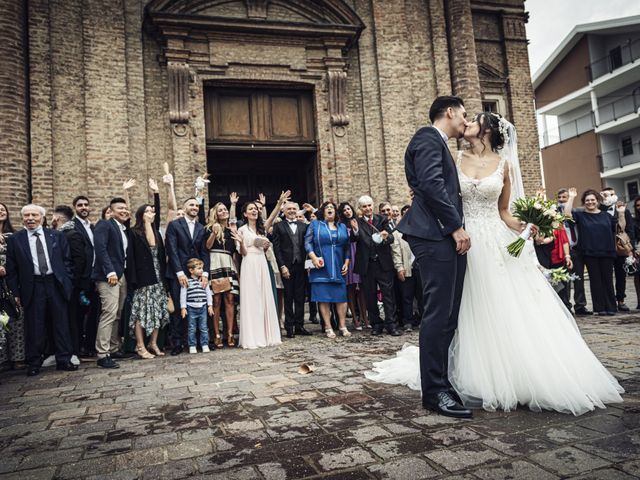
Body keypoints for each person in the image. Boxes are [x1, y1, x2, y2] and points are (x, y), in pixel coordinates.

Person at [367, 110, 624, 417]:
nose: (467, 122)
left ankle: (507, 371)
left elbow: (503, 211)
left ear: (488, 130)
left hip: (492, 240)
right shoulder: (455, 158)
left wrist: (529, 226)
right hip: (459, 238)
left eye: (474, 119)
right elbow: (437, 190)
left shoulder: (505, 165)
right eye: (466, 116)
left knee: (501, 305)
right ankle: (457, 371)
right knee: (458, 309)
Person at [5, 204, 77, 376]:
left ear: (42, 218)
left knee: (61, 323)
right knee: (35, 325)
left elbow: (67, 260)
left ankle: (64, 359)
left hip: (55, 283)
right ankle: (34, 362)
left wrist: (67, 280)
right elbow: (12, 269)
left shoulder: (56, 236)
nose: (30, 218)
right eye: (27, 215)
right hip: (33, 285)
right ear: (22, 218)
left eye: (34, 215)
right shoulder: (16, 239)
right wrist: (15, 293)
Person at [565, 189, 624, 316]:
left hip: (607, 252)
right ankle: (600, 308)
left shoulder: (606, 215)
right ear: (584, 202)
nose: (590, 202)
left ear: (597, 201)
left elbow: (621, 227)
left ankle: (611, 307)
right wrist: (571, 197)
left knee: (608, 280)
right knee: (595, 281)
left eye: (592, 200)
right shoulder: (580, 215)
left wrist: (621, 213)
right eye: (587, 200)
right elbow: (567, 214)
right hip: (589, 252)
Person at [165, 197, 210, 356]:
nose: (195, 208)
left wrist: (204, 273)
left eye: (197, 206)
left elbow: (204, 252)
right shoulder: (174, 225)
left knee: (198, 305)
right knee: (179, 307)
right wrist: (179, 273)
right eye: (191, 205)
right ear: (184, 208)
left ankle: (199, 341)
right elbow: (172, 249)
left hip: (197, 274)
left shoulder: (201, 228)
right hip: (178, 273)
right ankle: (177, 342)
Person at [350, 195, 400, 337]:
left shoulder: (382, 219)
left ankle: (391, 324)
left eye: (369, 205)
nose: (367, 208)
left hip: (383, 263)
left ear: (373, 205)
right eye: (364, 206)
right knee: (370, 295)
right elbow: (353, 239)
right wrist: (355, 230)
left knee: (388, 295)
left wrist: (385, 237)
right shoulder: (357, 222)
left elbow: (391, 238)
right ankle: (376, 324)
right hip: (367, 265)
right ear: (360, 208)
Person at [234, 201, 282, 349]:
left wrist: (279, 203)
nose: (254, 211)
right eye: (251, 209)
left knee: (264, 297)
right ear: (245, 213)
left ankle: (268, 335)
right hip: (249, 262)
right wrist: (242, 243)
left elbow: (272, 218)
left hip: (261, 262)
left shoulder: (262, 229)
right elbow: (243, 253)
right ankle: (253, 337)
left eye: (255, 209)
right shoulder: (241, 229)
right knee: (252, 298)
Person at [92, 197, 133, 369]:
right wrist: (110, 272)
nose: (124, 211)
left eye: (126, 208)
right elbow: (100, 249)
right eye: (120, 208)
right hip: (108, 276)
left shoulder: (122, 229)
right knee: (109, 312)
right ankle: (102, 354)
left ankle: (114, 347)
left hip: (120, 275)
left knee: (117, 313)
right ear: (111, 211)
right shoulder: (104, 224)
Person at [128, 202, 169, 359]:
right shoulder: (134, 232)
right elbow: (142, 250)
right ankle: (140, 345)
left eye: (153, 211)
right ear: (141, 215)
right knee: (142, 313)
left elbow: (155, 247)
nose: (152, 213)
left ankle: (153, 343)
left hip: (158, 277)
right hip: (143, 278)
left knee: (157, 311)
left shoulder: (156, 232)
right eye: (148, 211)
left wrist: (157, 193)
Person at [305, 201, 351, 338]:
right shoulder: (315, 225)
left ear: (336, 212)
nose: (330, 209)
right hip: (321, 264)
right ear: (323, 211)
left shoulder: (342, 226)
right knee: (323, 297)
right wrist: (313, 257)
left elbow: (347, 246)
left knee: (341, 297)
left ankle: (342, 326)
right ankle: (328, 327)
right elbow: (307, 242)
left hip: (338, 264)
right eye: (327, 208)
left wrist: (347, 263)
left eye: (332, 208)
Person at [272, 201, 311, 338]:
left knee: (300, 297)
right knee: (288, 296)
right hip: (287, 266)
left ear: (298, 210)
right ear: (284, 211)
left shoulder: (303, 226)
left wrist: (309, 265)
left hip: (301, 265)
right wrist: (282, 266)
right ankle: (289, 327)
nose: (292, 211)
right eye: (289, 209)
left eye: (294, 208)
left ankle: (299, 325)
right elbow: (276, 249)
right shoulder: (278, 226)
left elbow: (308, 246)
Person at [205, 200, 239, 348]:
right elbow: (207, 246)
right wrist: (214, 232)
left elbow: (236, 251)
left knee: (230, 299)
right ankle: (216, 334)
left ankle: (230, 333)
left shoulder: (232, 230)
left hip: (228, 263)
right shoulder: (209, 228)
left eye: (225, 209)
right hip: (215, 262)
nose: (223, 212)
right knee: (216, 300)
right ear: (215, 214)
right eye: (220, 210)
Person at [600, 187, 635, 312]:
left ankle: (621, 300)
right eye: (607, 195)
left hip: (620, 248)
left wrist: (630, 247)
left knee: (621, 275)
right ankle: (609, 301)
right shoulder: (600, 209)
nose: (610, 197)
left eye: (612, 194)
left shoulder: (623, 210)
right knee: (606, 276)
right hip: (605, 248)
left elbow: (630, 230)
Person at [556, 188, 591, 315]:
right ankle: (566, 306)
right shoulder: (553, 214)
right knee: (564, 279)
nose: (561, 200)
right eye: (559, 198)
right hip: (562, 251)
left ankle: (580, 305)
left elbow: (568, 214)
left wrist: (571, 198)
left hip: (576, 250)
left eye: (564, 198)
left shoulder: (576, 213)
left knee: (579, 278)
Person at [71, 196, 98, 356]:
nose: (83, 207)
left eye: (86, 205)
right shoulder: (72, 226)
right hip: (81, 278)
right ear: (75, 208)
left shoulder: (93, 227)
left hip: (94, 276)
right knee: (79, 315)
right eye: (80, 205)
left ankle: (89, 347)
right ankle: (79, 347)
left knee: (93, 313)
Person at [0, 202, 25, 369]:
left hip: (11, 281)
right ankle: (2, 359)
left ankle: (17, 357)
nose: (1, 211)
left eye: (2, 209)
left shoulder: (12, 236)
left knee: (16, 315)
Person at [391, 205, 422, 331]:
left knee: (422, 296)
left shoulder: (421, 229)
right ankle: (407, 321)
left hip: (420, 267)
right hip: (407, 267)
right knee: (407, 296)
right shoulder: (398, 233)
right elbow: (396, 252)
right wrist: (399, 268)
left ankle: (422, 319)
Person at [338, 202, 368, 330]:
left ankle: (365, 318)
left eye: (349, 209)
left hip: (360, 254)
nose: (347, 211)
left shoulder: (359, 221)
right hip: (349, 256)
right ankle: (355, 320)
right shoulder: (341, 225)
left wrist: (356, 229)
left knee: (362, 288)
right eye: (344, 210)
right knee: (350, 288)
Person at [180, 258, 213, 353]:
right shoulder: (187, 281)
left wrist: (210, 306)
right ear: (191, 270)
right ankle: (192, 345)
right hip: (191, 308)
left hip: (202, 307)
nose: (202, 270)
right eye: (199, 268)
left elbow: (208, 294)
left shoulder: (203, 281)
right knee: (191, 328)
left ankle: (204, 344)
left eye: (202, 268)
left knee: (203, 327)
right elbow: (183, 295)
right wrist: (183, 307)